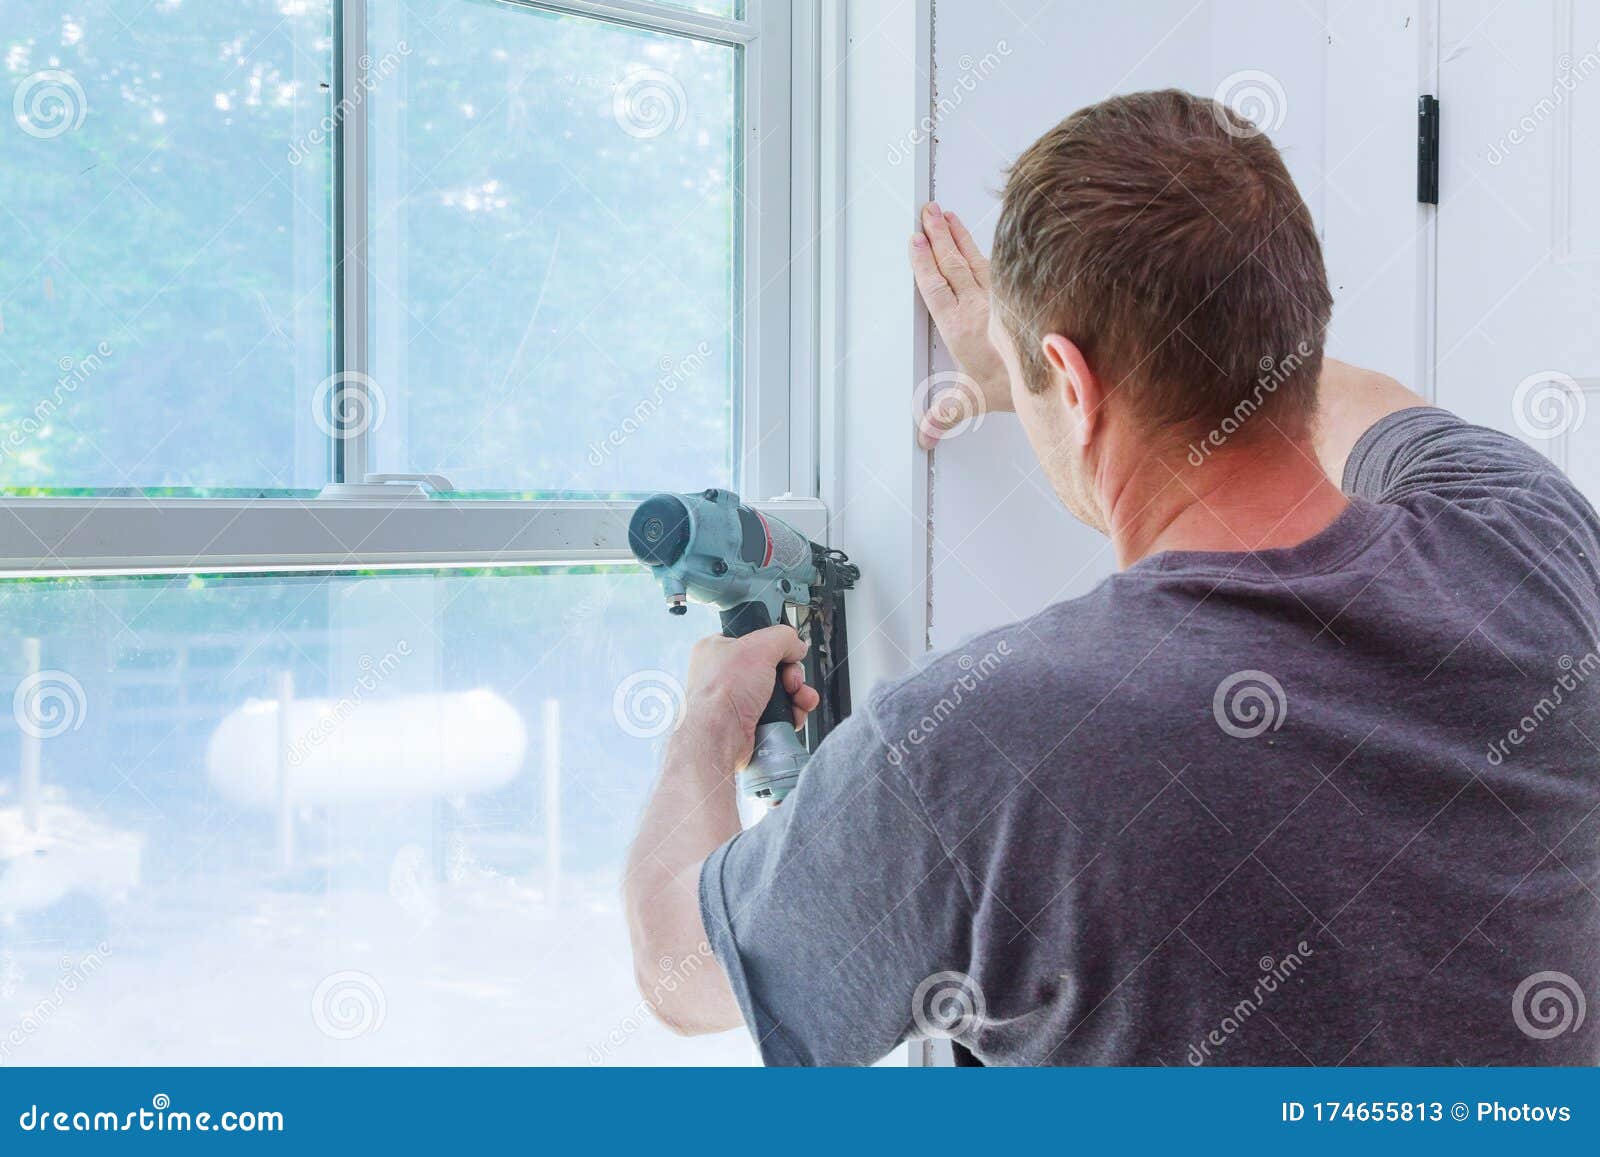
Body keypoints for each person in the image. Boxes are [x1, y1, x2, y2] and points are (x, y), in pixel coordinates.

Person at [622, 89, 1600, 1065]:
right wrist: (1054, 361)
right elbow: (1365, 399)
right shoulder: (1529, 534)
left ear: (1074, 382)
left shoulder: (979, 744)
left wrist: (710, 717)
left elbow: (677, 966)